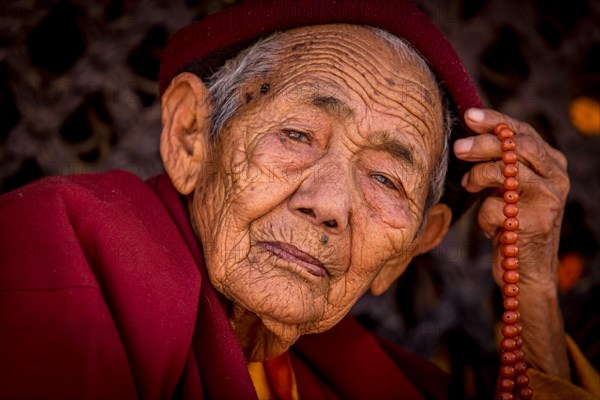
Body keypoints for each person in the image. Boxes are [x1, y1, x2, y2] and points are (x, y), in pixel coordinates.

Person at [0, 0, 598, 399]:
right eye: (296, 135)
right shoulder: (53, 248)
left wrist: (536, 288)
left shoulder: (364, 382)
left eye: (387, 179)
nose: (330, 204)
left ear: (409, 249)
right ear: (190, 136)